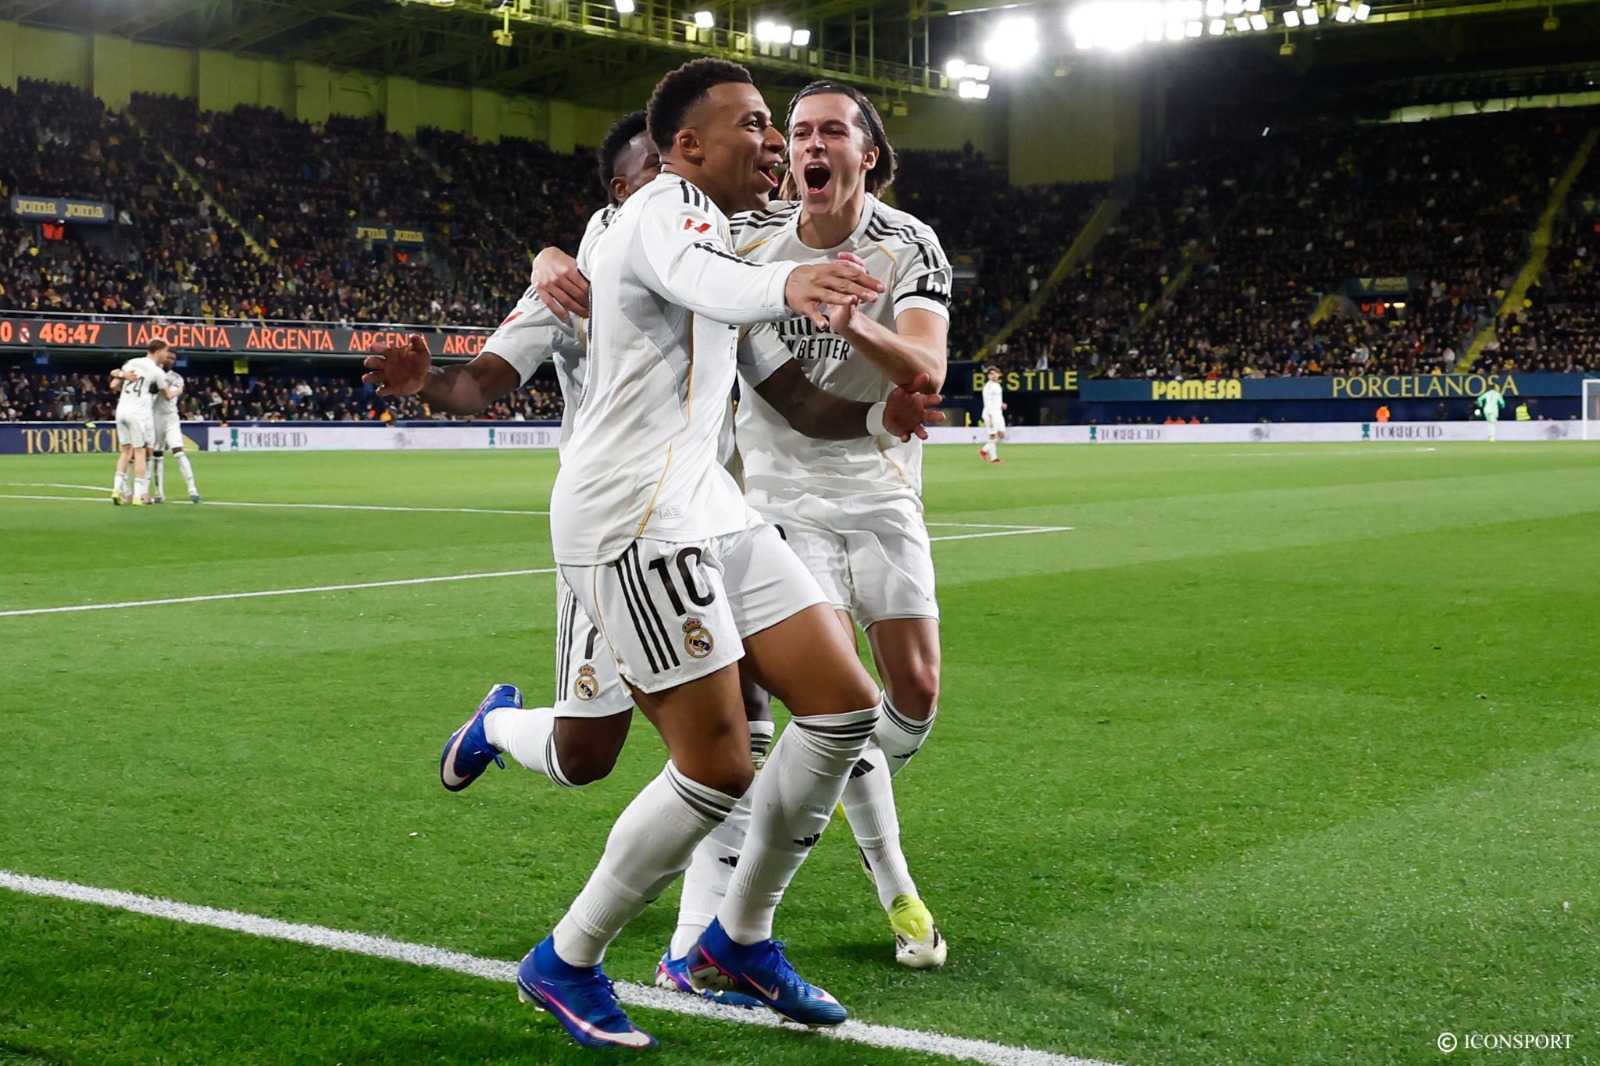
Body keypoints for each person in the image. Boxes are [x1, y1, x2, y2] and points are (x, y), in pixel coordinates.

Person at [417, 62, 909, 1049]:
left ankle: (738, 939)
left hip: (705, 505)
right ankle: (569, 956)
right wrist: (789, 282)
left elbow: (776, 358)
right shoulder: (663, 211)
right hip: (631, 517)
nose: (774, 141)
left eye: (776, 125)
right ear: (679, 153)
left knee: (843, 704)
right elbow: (694, 276)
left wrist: (881, 402)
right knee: (711, 761)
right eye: (755, 124)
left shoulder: (718, 227)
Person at [531, 81, 956, 973]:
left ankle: (737, 928)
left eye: (819, 131)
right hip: (744, 498)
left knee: (885, 704)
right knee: (740, 743)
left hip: (867, 489)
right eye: (782, 129)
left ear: (869, 153)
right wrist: (547, 258)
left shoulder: (905, 241)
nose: (792, 145)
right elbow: (653, 244)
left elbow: (923, 365)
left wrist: (858, 342)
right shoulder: (731, 226)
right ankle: (711, 937)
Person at [108, 341, 174, 505]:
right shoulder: (157, 371)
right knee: (140, 452)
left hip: (121, 410)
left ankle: (117, 489)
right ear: (157, 352)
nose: (167, 356)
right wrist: (178, 391)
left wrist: (123, 376)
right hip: (138, 413)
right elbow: (167, 396)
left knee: (125, 452)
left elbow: (114, 383)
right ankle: (138, 495)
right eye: (165, 352)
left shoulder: (132, 362)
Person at [149, 345, 201, 504]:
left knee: (178, 452)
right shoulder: (153, 373)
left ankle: (192, 489)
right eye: (168, 358)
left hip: (171, 417)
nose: (170, 361)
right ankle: (159, 492)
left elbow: (168, 396)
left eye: (173, 359)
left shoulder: (176, 377)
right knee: (157, 455)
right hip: (155, 416)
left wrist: (165, 388)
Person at [981, 364, 1006, 463]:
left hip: (998, 413)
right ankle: (993, 458)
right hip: (990, 414)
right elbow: (988, 403)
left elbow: (995, 400)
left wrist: (1001, 404)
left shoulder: (997, 385)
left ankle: (985, 450)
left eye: (995, 373)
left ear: (999, 374)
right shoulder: (988, 387)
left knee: (1001, 434)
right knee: (992, 435)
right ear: (988, 376)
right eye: (991, 374)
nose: (994, 375)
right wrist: (990, 417)